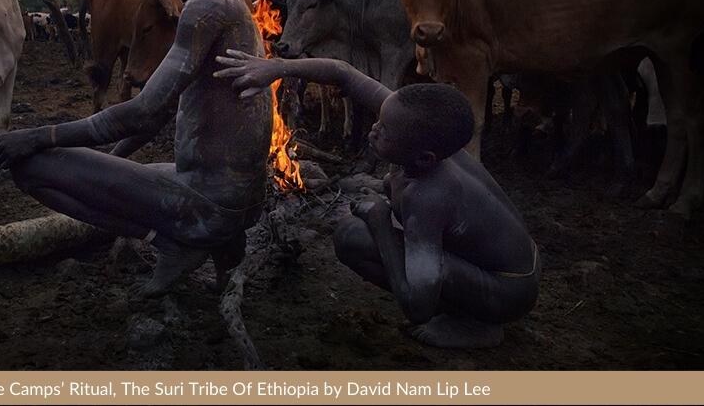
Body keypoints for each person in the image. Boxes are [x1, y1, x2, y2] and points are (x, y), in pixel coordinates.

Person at [0, 0, 272, 297]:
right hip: (230, 197)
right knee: (97, 166)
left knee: (32, 167)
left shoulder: (210, 3)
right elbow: (163, 110)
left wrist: (39, 136)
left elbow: (143, 113)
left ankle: (176, 241)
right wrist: (109, 163)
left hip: (207, 202)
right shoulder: (217, 3)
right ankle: (212, 240)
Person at [214, 51, 539, 348]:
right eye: (379, 120)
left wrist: (381, 221)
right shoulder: (428, 135)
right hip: (510, 266)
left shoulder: (426, 197)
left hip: (506, 292)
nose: (373, 129)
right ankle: (467, 305)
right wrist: (275, 68)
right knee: (364, 226)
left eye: (385, 131)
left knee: (352, 238)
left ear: (424, 159)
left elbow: (418, 306)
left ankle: (475, 323)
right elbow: (343, 73)